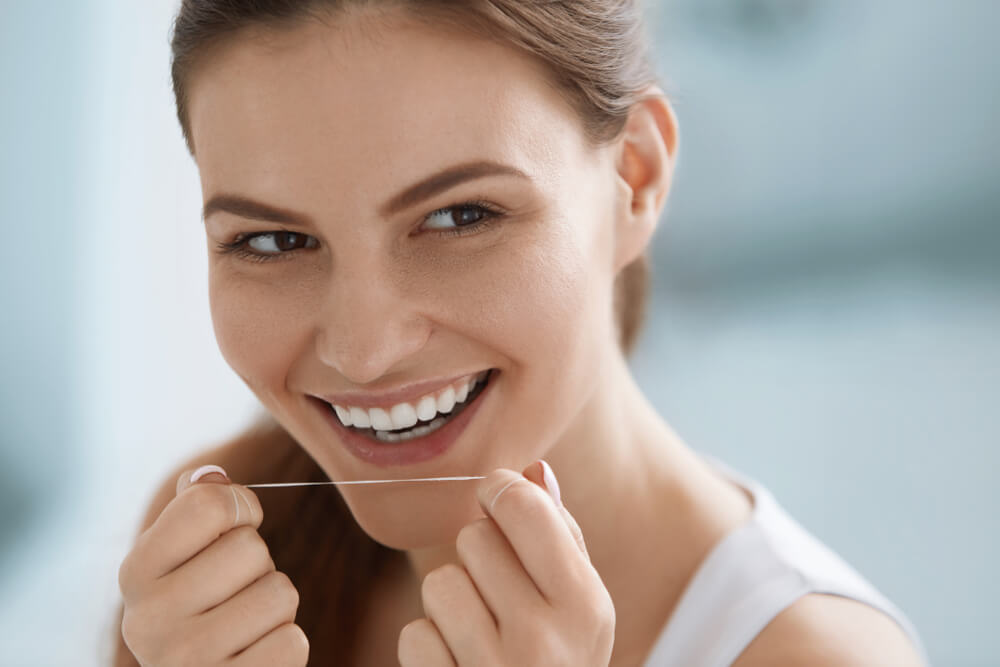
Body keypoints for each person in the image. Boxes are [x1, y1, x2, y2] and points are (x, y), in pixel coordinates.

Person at [112, 1, 929, 665]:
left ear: (633, 178)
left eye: (461, 216)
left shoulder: (816, 655)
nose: (365, 350)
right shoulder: (217, 569)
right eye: (273, 240)